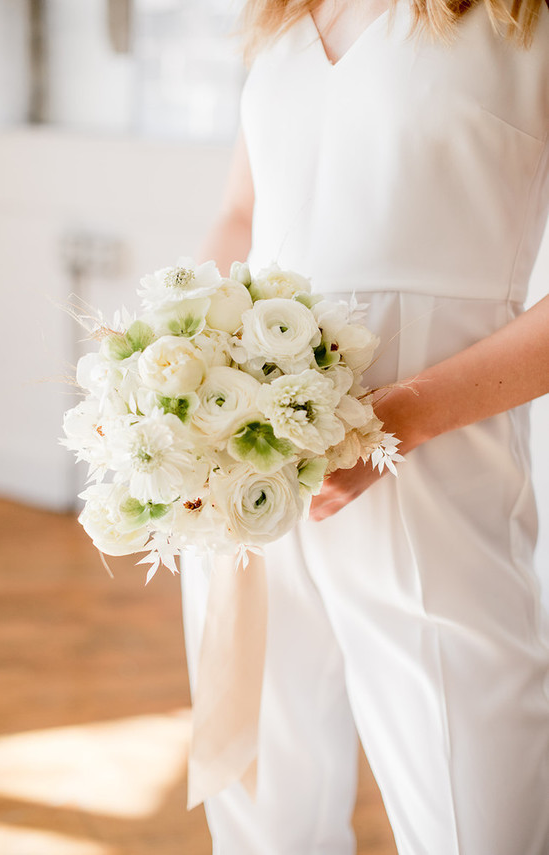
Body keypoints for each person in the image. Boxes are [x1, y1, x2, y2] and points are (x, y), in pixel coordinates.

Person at [181, 0, 549, 852]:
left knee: (472, 815)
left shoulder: (523, 21)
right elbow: (241, 214)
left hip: (432, 473)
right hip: (249, 470)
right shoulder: (282, 18)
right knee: (265, 813)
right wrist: (185, 378)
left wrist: (400, 416)